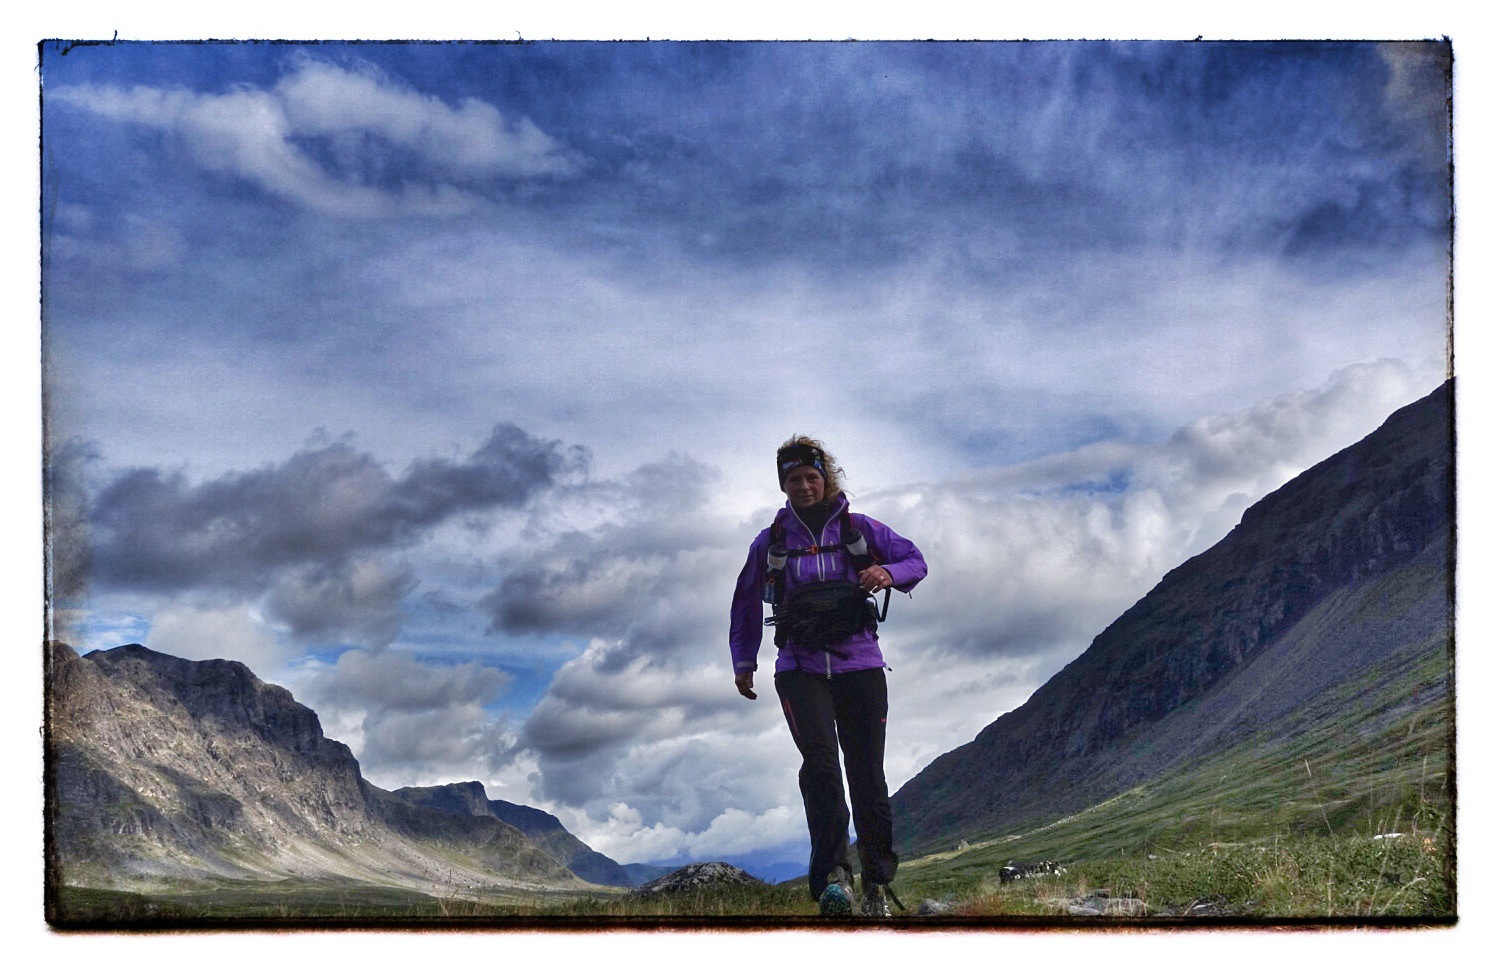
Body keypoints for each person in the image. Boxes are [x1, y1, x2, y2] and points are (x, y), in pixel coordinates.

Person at [729, 436, 927, 917]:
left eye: (811, 477)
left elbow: (915, 561)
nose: (803, 486)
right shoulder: (771, 542)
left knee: (866, 774)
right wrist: (744, 660)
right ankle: (834, 880)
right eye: (793, 479)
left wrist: (887, 573)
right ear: (783, 484)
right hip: (800, 669)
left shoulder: (859, 528)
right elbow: (745, 601)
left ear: (825, 479)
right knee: (820, 768)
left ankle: (878, 880)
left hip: (860, 663)